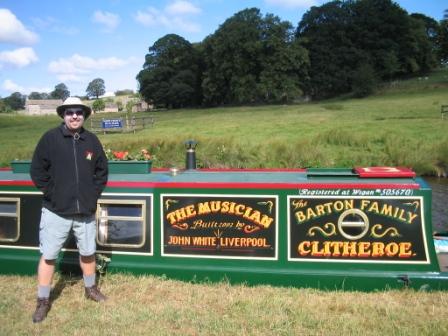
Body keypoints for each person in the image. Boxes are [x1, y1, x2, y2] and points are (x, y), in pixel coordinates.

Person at [30, 97, 109, 323]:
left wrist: (92, 194)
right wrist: (52, 193)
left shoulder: (92, 141)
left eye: (79, 112)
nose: (74, 116)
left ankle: (91, 288)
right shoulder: (50, 139)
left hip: (85, 211)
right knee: (49, 256)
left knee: (88, 252)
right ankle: (43, 300)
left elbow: (102, 172)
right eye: (70, 112)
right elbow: (37, 171)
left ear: (84, 115)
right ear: (63, 115)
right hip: (56, 211)